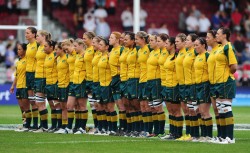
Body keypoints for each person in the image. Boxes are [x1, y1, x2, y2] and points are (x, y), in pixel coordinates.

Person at [214, 27, 237, 144]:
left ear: (224, 35)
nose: (216, 35)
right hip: (219, 82)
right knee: (220, 108)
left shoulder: (228, 47)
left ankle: (230, 137)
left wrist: (227, 76)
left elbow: (234, 66)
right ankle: (223, 137)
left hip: (226, 81)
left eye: (218, 33)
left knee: (226, 107)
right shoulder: (220, 48)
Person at [34, 39, 59, 133]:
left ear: (52, 47)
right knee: (50, 105)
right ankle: (50, 126)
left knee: (55, 104)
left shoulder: (55, 55)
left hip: (53, 83)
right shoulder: (48, 55)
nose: (43, 48)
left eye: (46, 46)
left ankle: (57, 126)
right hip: (48, 82)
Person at [177, 33, 198, 141]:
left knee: (193, 110)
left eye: (187, 40)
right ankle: (189, 133)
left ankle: (195, 134)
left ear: (194, 42)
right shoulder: (186, 53)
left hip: (192, 84)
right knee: (187, 110)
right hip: (184, 84)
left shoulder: (194, 52)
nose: (186, 42)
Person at [32, 30, 53, 133]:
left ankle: (45, 126)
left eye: (38, 36)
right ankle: (44, 126)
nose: (36, 37)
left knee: (46, 102)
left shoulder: (47, 47)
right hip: (38, 76)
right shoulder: (39, 47)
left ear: (44, 36)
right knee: (40, 102)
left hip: (44, 77)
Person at [161, 37, 180, 140]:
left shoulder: (176, 57)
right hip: (167, 85)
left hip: (174, 86)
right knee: (170, 111)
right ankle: (172, 132)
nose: (165, 45)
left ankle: (178, 132)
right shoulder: (169, 57)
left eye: (167, 43)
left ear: (172, 45)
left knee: (176, 110)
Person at [194, 37, 213, 142]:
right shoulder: (197, 56)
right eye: (195, 45)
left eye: (197, 45)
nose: (195, 47)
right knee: (200, 111)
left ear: (203, 45)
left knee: (205, 111)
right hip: (198, 85)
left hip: (205, 85)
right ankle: (204, 135)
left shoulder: (207, 55)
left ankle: (208, 135)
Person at [146, 34, 165, 137]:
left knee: (158, 107)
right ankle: (155, 130)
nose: (150, 42)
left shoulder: (161, 53)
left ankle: (160, 130)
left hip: (156, 81)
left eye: (152, 40)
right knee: (152, 107)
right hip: (149, 81)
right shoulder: (152, 52)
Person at [97, 37, 116, 135]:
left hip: (108, 84)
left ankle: (112, 128)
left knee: (110, 107)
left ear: (107, 47)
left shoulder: (109, 56)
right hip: (101, 84)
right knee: (101, 106)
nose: (99, 46)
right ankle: (104, 128)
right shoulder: (100, 56)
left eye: (101, 45)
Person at [10, 43, 31, 132]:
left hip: (25, 86)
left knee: (26, 107)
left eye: (20, 49)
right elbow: (17, 75)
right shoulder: (18, 61)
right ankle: (24, 123)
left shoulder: (28, 61)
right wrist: (12, 86)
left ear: (25, 50)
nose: (18, 51)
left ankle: (28, 125)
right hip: (19, 86)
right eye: (17, 49)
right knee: (21, 107)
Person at [124, 32, 140, 137]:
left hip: (136, 79)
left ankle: (139, 129)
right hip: (128, 79)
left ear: (133, 41)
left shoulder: (137, 50)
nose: (124, 41)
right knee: (129, 105)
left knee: (136, 105)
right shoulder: (129, 51)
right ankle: (133, 129)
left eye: (126, 39)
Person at [206, 30, 222, 140]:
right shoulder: (212, 51)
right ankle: (220, 135)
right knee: (216, 109)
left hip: (219, 82)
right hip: (211, 83)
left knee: (222, 109)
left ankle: (224, 134)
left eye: (208, 37)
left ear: (215, 39)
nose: (206, 39)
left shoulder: (220, 50)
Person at [135, 31, 151, 137]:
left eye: (137, 39)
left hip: (148, 80)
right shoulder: (139, 51)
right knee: (142, 105)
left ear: (143, 39)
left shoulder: (149, 48)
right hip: (141, 80)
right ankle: (144, 129)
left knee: (147, 105)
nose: (135, 40)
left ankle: (149, 130)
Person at [71, 38, 88, 134]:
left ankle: (82, 127)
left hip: (82, 82)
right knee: (76, 105)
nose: (74, 48)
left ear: (81, 46)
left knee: (82, 105)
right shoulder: (77, 55)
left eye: (75, 46)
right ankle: (77, 126)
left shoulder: (85, 55)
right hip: (75, 81)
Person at [108, 32, 124, 135]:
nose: (109, 39)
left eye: (111, 38)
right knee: (118, 105)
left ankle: (123, 127)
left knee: (121, 105)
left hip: (119, 78)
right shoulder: (112, 50)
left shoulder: (121, 50)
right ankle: (121, 127)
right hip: (113, 79)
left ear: (117, 39)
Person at [82, 32, 98, 131]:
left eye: (85, 38)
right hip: (88, 79)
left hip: (94, 79)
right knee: (92, 104)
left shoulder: (94, 50)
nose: (83, 40)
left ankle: (100, 126)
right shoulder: (87, 50)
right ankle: (97, 125)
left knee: (96, 104)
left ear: (91, 39)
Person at [25, 27, 39, 131]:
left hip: (35, 74)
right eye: (25, 33)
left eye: (28, 33)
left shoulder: (37, 45)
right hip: (28, 73)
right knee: (31, 100)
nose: (26, 35)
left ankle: (36, 123)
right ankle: (32, 124)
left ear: (34, 34)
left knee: (36, 100)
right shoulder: (28, 46)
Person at [54, 42, 70, 132]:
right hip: (60, 84)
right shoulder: (58, 59)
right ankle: (63, 126)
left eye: (56, 49)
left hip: (66, 85)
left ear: (61, 49)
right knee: (62, 106)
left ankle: (67, 126)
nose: (55, 51)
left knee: (66, 107)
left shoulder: (67, 57)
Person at [174, 33, 187, 139]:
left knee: (189, 110)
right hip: (180, 84)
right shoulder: (179, 54)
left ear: (184, 42)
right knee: (185, 109)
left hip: (187, 84)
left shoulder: (187, 53)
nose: (176, 43)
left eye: (178, 41)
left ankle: (191, 133)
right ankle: (182, 133)